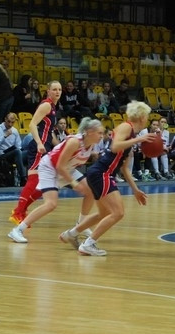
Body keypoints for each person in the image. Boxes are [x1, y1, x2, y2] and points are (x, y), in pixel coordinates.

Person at [60, 101, 160, 256]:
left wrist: (135, 190)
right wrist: (139, 140)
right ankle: (88, 244)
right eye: (146, 115)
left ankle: (71, 234)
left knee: (104, 213)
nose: (147, 118)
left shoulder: (131, 135)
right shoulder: (126, 127)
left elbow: (124, 168)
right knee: (118, 212)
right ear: (141, 117)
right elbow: (115, 147)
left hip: (100, 173)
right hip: (102, 172)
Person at [8, 117, 105, 244]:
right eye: (99, 133)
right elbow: (59, 166)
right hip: (50, 168)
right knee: (51, 204)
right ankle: (18, 230)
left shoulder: (91, 144)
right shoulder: (74, 142)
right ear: (90, 132)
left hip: (67, 169)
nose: (102, 136)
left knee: (90, 191)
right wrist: (74, 184)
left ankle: (81, 225)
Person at [9, 81, 63, 224]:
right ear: (48, 91)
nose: (57, 92)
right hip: (39, 147)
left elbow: (49, 133)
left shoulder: (53, 107)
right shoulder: (46, 105)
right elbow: (32, 124)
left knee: (45, 182)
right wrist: (39, 143)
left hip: (46, 147)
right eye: (54, 89)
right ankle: (18, 212)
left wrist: (60, 147)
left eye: (59, 89)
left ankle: (21, 210)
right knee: (34, 180)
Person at [0, 111, 26, 186]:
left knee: (28, 152)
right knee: (17, 152)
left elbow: (18, 145)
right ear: (5, 119)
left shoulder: (15, 131)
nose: (10, 124)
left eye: (12, 122)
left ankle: (32, 178)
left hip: (12, 153)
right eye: (8, 122)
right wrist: (4, 136)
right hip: (0, 154)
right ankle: (23, 178)